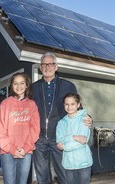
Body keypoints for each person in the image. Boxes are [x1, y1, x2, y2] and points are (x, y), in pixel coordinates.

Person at [32, 52, 92, 184]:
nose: (47, 67)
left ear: (56, 66)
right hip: (39, 138)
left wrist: (88, 117)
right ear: (40, 67)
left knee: (64, 175)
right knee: (42, 176)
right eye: (44, 64)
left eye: (50, 64)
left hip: (60, 138)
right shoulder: (33, 88)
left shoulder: (68, 86)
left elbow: (77, 108)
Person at [0, 72, 40, 184]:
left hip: (26, 150)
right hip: (7, 151)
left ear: (26, 85)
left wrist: (25, 148)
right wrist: (11, 149)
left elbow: (35, 129)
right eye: (15, 83)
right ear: (11, 85)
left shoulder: (32, 104)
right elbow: (0, 130)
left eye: (22, 83)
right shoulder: (5, 104)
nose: (19, 86)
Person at [56, 93, 93, 184]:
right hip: (68, 164)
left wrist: (65, 146)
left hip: (83, 163)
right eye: (66, 104)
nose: (69, 107)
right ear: (64, 105)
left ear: (78, 105)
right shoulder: (61, 123)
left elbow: (82, 141)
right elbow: (59, 141)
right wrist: (74, 137)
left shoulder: (85, 119)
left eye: (72, 104)